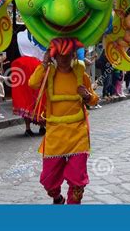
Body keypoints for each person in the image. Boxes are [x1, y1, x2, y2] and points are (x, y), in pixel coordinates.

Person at [29, 38, 98, 205]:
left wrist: (88, 96)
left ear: (73, 54)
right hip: (55, 133)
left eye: (68, 54)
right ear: (54, 56)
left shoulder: (81, 73)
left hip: (77, 133)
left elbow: (94, 100)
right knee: (48, 180)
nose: (64, 58)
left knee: (77, 183)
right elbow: (32, 84)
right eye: (60, 55)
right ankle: (57, 198)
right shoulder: (48, 72)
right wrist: (44, 63)